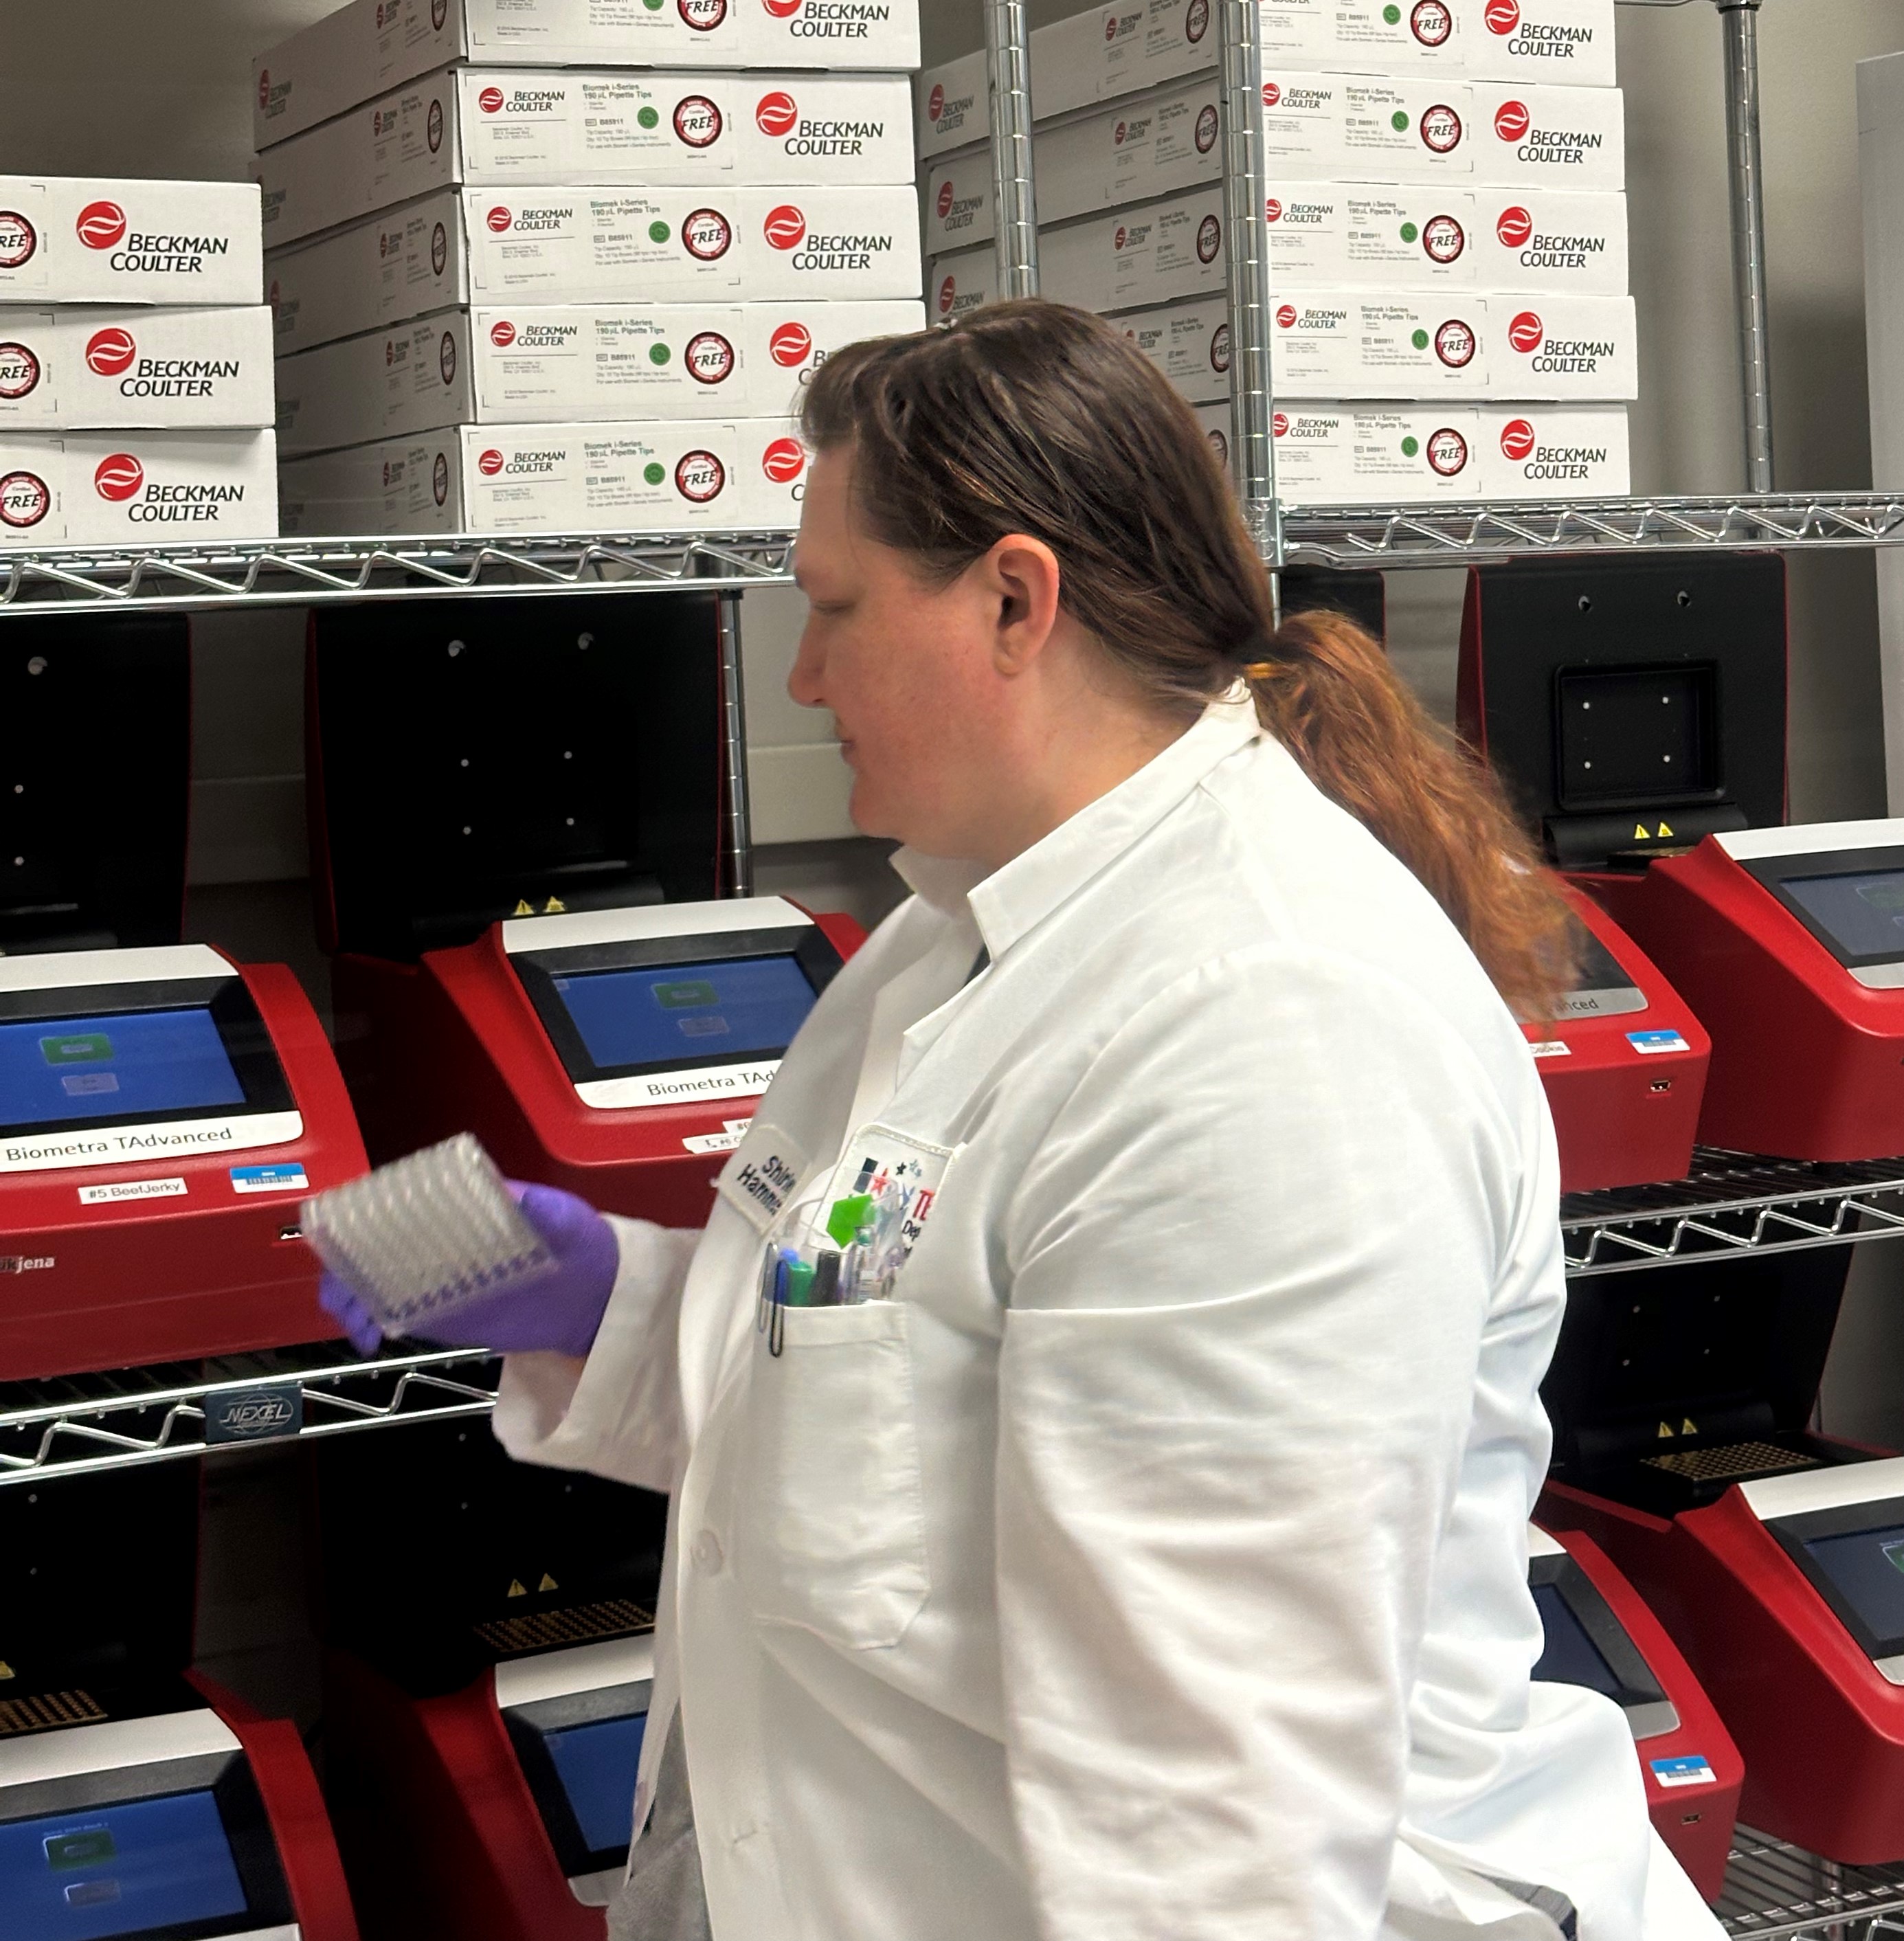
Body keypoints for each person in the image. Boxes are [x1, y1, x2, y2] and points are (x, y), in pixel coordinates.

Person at [323, 301, 1721, 1940]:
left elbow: (1212, 1832)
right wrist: (617, 1308)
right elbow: (883, 1407)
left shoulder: (1261, 1028)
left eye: (833, 609)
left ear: (1010, 599)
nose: (800, 672)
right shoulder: (953, 935)